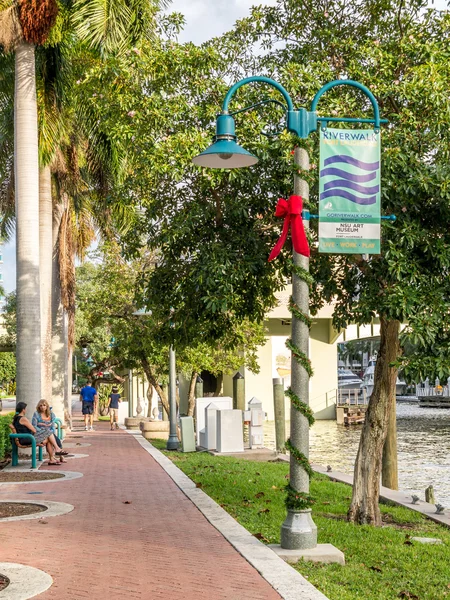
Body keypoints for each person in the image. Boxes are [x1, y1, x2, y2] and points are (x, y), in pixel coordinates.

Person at [11, 402, 61, 466]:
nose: (26, 410)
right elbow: (34, 430)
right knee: (49, 433)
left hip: (24, 438)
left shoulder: (16, 418)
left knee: (48, 436)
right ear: (23, 410)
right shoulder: (23, 418)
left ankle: (52, 458)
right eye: (25, 409)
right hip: (27, 439)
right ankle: (55, 451)